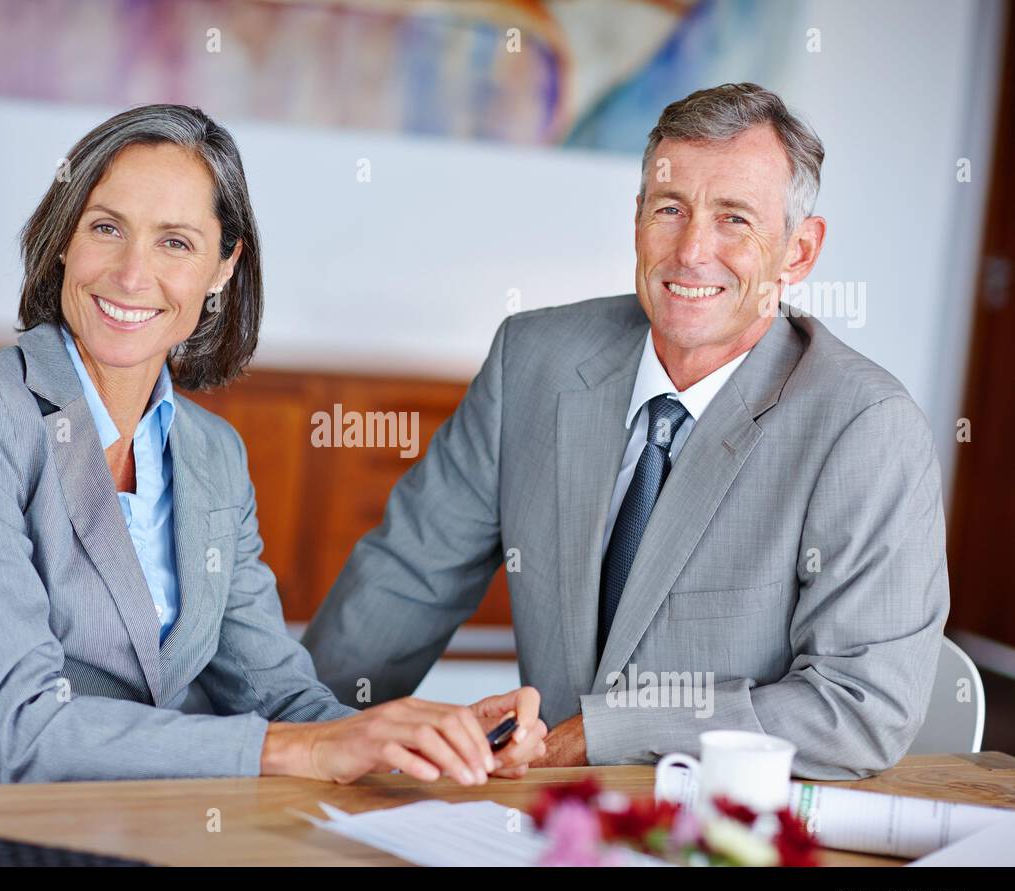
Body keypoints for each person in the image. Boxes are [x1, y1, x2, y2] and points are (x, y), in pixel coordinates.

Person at [0, 104, 546, 787]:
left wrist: (430, 740)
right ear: (63, 240)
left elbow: (280, 696)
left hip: (142, 829)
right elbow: (25, 727)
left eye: (175, 242)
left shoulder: (213, 455)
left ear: (223, 267)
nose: (132, 274)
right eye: (106, 228)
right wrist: (298, 750)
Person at [303, 83, 948, 780]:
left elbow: (860, 708)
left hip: (716, 833)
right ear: (638, 217)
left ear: (797, 253)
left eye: (735, 219)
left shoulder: (865, 428)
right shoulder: (534, 360)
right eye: (670, 209)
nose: (692, 251)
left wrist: (597, 735)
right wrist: (301, 737)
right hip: (532, 822)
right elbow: (406, 581)